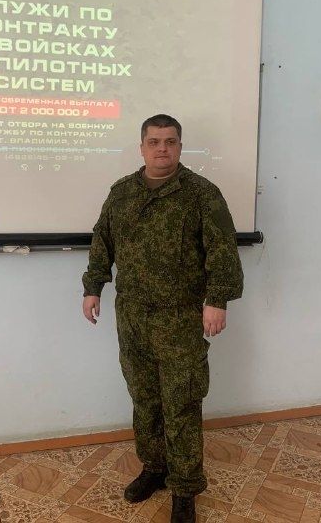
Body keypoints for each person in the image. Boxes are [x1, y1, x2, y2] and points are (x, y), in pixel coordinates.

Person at [81, 114, 244, 523]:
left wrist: (217, 300)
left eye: (170, 141)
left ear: (180, 146)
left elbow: (222, 250)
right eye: (154, 142)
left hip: (181, 319)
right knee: (145, 398)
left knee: (182, 402)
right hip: (133, 317)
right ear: (142, 147)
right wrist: (93, 286)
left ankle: (185, 488)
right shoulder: (122, 193)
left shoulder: (201, 194)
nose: (162, 149)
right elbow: (102, 241)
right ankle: (155, 467)